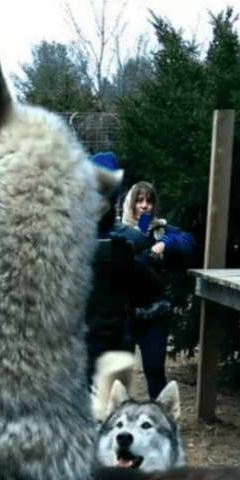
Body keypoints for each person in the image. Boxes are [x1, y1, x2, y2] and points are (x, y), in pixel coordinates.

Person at [85, 153, 165, 385]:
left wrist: (158, 247)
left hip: (116, 336)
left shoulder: (131, 239)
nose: (144, 205)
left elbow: (153, 286)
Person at [121, 180, 196, 398]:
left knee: (154, 370)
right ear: (130, 203)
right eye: (139, 200)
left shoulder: (161, 230)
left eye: (149, 201)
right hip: (123, 314)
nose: (144, 206)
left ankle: (160, 413)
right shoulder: (119, 230)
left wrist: (164, 243)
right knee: (120, 374)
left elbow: (188, 241)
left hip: (155, 313)